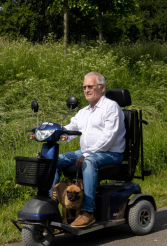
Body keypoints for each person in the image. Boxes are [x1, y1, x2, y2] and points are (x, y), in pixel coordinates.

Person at [53, 72, 125, 227]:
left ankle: (87, 212)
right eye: (84, 87)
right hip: (87, 152)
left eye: (90, 86)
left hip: (110, 153)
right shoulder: (84, 112)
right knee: (57, 160)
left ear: (102, 88)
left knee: (89, 161)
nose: (86, 90)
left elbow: (108, 137)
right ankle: (51, 203)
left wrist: (86, 154)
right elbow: (71, 129)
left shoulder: (111, 107)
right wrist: (53, 133)